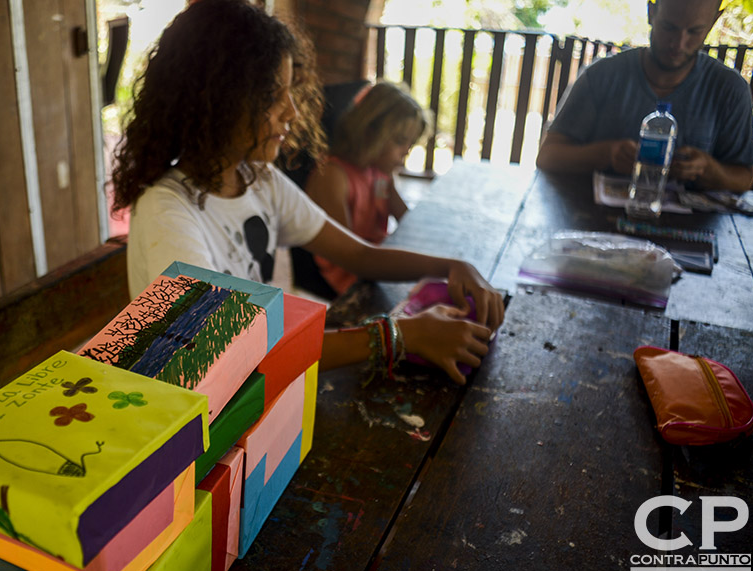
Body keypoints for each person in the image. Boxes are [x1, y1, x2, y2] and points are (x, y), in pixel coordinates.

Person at [111, 0, 503, 385]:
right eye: (273, 96)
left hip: (266, 383)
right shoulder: (169, 212)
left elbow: (358, 255)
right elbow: (228, 354)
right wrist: (399, 335)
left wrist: (450, 266)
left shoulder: (258, 181)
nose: (292, 112)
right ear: (217, 101)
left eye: (290, 92)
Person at [535, 0, 753, 193]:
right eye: (669, 27)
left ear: (713, 22)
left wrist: (708, 169)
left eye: (694, 32)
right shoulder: (601, 75)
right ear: (651, 12)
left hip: (690, 232)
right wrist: (608, 154)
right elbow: (548, 157)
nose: (678, 44)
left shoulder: (730, 89)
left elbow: (745, 178)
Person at [304, 81, 430, 296]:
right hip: (347, 278)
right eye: (400, 141)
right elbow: (346, 256)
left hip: (372, 262)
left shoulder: (380, 171)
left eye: (410, 143)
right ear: (369, 131)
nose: (406, 151)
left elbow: (406, 220)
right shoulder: (333, 175)